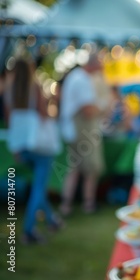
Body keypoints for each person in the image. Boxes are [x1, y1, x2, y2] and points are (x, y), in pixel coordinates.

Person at [6, 58, 63, 243]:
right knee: (39, 188)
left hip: (21, 145)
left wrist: (15, 147)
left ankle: (51, 220)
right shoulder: (34, 87)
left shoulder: (8, 90)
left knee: (38, 185)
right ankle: (28, 230)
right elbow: (44, 114)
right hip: (40, 144)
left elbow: (10, 121)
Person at [59, 52, 105, 215]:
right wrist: (103, 108)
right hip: (80, 130)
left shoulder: (76, 77)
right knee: (91, 168)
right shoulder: (82, 80)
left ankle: (67, 205)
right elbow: (88, 111)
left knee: (74, 168)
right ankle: (88, 203)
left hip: (74, 130)